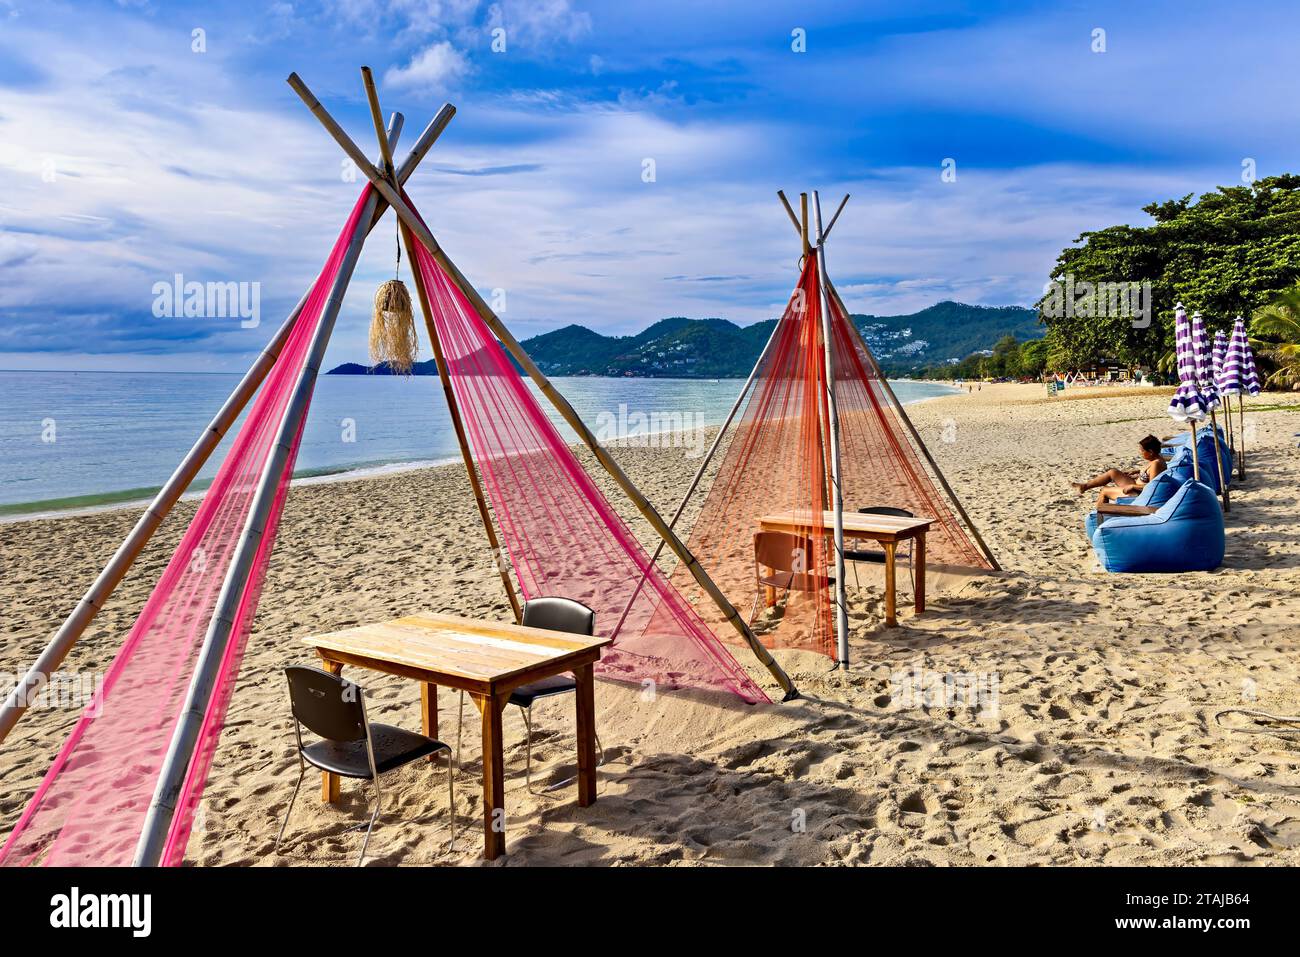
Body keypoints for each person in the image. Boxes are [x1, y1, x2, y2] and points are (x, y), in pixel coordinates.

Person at [1072, 435, 1167, 506]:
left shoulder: (1156, 464)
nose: (1140, 453)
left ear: (1150, 452)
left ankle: (1098, 518)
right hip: (1136, 486)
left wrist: (1133, 485)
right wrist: (1138, 472)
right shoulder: (1156, 460)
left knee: (1104, 491)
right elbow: (1151, 475)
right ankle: (1085, 486)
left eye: (1142, 451)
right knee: (1113, 472)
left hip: (1138, 492)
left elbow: (1153, 486)